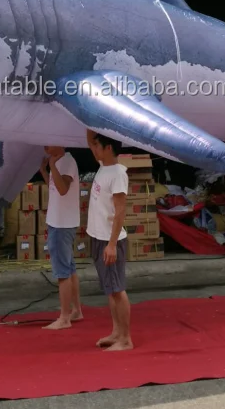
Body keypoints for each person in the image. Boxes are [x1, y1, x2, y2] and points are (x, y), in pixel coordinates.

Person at [85, 129, 133, 351]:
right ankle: (116, 332)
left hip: (110, 240)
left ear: (108, 148)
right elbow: (90, 141)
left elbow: (120, 211)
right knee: (109, 289)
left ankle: (126, 339)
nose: (92, 149)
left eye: (97, 145)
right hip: (98, 236)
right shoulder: (104, 166)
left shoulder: (117, 174)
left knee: (117, 289)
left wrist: (112, 244)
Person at [38, 145, 83, 330]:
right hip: (59, 221)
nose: (45, 146)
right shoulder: (59, 162)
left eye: (49, 143)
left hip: (62, 223)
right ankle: (76, 310)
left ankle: (64, 317)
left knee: (62, 271)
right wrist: (45, 170)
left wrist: (52, 166)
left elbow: (63, 189)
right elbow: (54, 186)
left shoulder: (67, 161)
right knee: (69, 268)